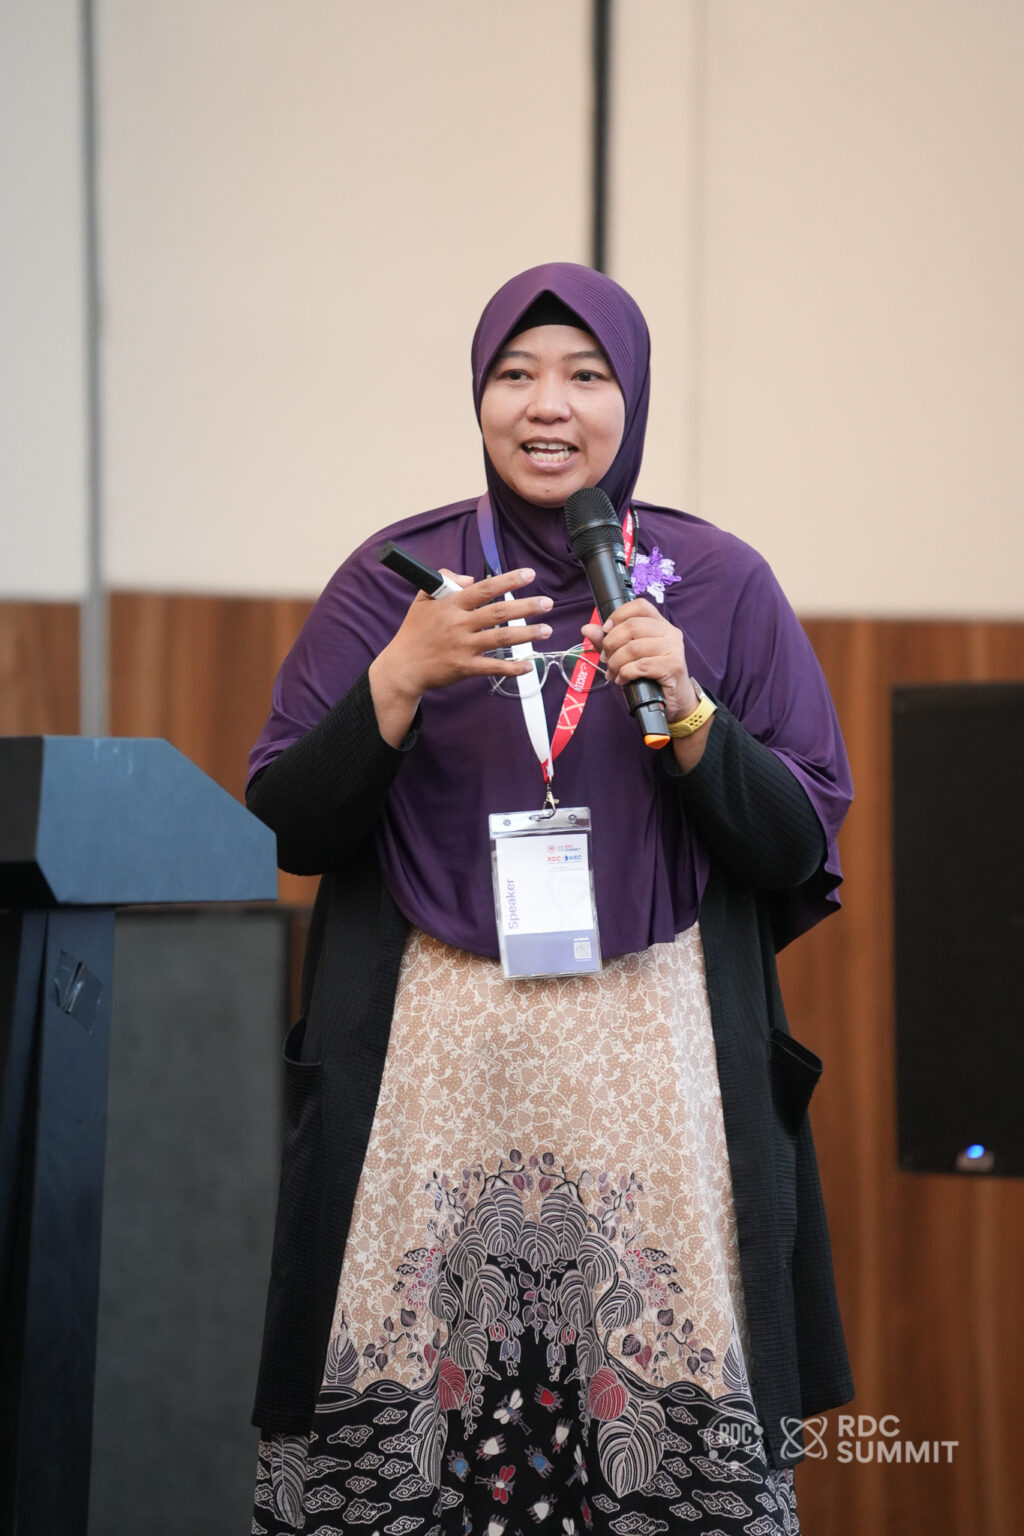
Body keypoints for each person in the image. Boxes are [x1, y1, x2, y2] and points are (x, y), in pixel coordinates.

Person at [247, 262, 853, 1535]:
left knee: (651, 1460)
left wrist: (690, 709)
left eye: (585, 375)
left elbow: (796, 840)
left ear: (632, 397)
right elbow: (290, 820)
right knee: (419, 1466)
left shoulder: (718, 580)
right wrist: (399, 679)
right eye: (515, 374)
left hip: (656, 1081)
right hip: (431, 1082)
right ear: (478, 397)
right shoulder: (397, 577)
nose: (548, 405)